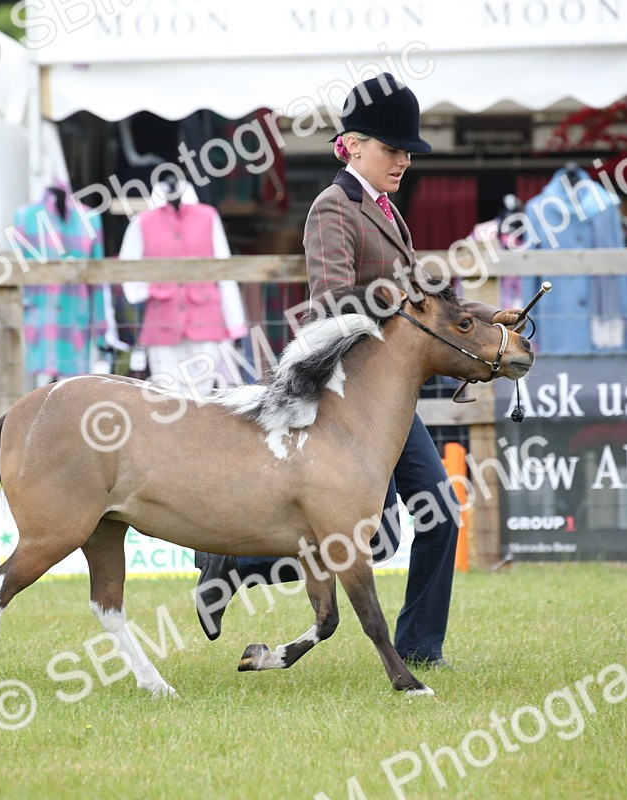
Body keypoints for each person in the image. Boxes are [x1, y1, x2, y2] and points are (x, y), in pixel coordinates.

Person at [195, 73, 460, 669]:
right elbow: (332, 303)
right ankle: (236, 563)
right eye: (393, 150)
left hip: (389, 396)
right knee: (383, 535)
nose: (403, 162)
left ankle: (420, 649)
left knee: (439, 511)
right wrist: (404, 305)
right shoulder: (332, 209)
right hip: (349, 396)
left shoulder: (387, 210)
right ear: (354, 144)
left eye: (407, 152)